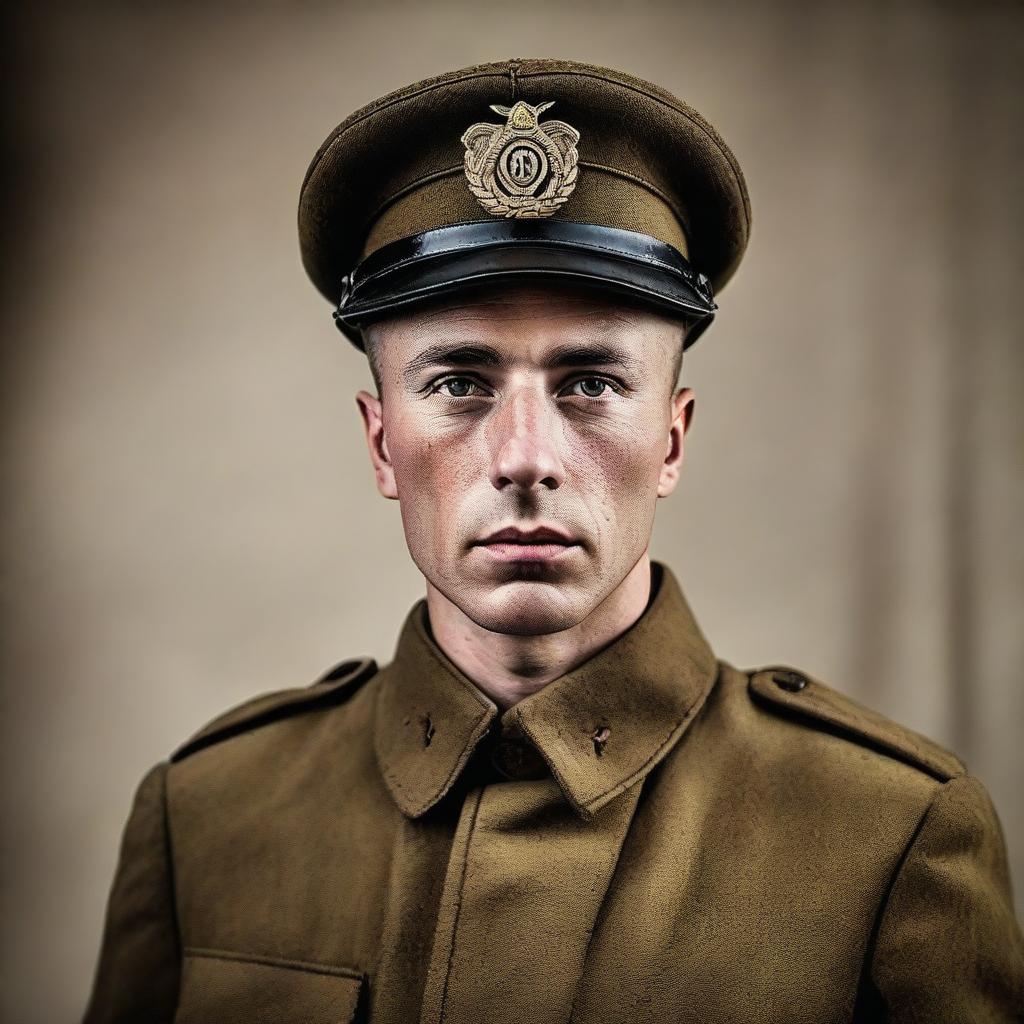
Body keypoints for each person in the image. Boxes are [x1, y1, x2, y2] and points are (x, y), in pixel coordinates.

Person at [82, 58, 1024, 1023]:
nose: (525, 457)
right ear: (380, 443)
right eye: (459, 382)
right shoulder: (209, 820)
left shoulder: (890, 834)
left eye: (592, 383)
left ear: (672, 436)